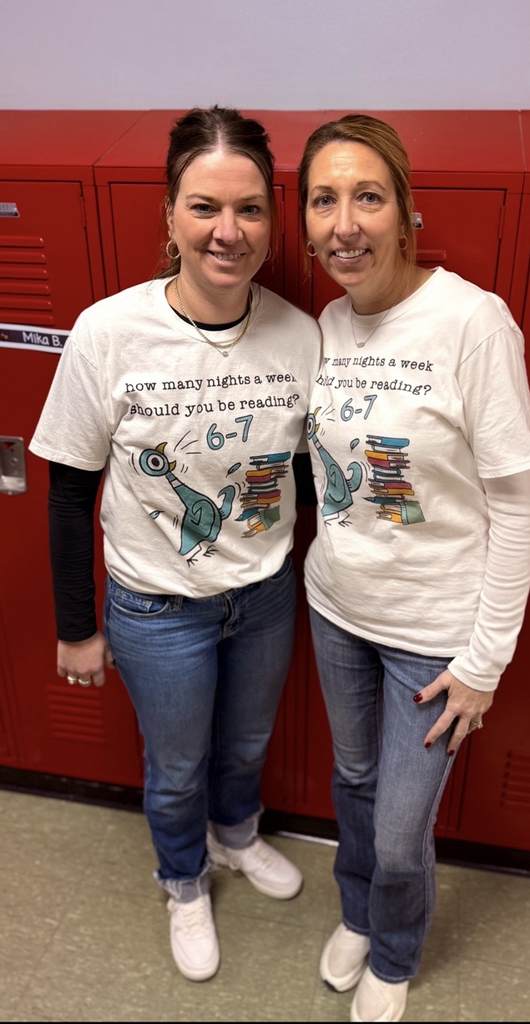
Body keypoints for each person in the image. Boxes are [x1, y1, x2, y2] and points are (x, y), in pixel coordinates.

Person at [30, 106, 321, 983]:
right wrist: (79, 626)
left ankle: (234, 838)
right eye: (204, 208)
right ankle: (183, 880)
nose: (228, 233)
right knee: (178, 761)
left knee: (243, 746)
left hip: (263, 594)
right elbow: (70, 492)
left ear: (272, 220)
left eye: (249, 210)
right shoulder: (108, 333)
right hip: (157, 607)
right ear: (169, 215)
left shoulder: (299, 335)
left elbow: (305, 474)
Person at [298, 115, 530, 1023]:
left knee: (402, 832)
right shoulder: (328, 320)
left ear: (407, 212)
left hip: (432, 635)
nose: (345, 223)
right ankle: (358, 916)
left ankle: (393, 953)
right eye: (325, 200)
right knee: (352, 784)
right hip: (336, 607)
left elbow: (514, 504)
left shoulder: (472, 322)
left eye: (368, 196)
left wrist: (484, 664)